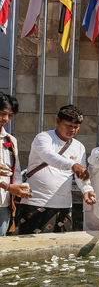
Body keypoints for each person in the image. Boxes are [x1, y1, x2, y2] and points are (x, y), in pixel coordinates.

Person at [20, 105, 96, 234]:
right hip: (36, 202)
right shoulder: (43, 138)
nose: (72, 130)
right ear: (57, 121)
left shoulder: (79, 147)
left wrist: (87, 189)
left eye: (76, 127)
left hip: (64, 205)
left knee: (63, 250)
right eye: (68, 125)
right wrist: (73, 164)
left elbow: (80, 174)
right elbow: (50, 157)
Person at [0, 93, 31, 236]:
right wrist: (7, 186)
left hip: (4, 201)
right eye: (1, 113)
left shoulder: (10, 140)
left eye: (10, 115)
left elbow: (16, 170)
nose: (5, 119)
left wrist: (18, 188)